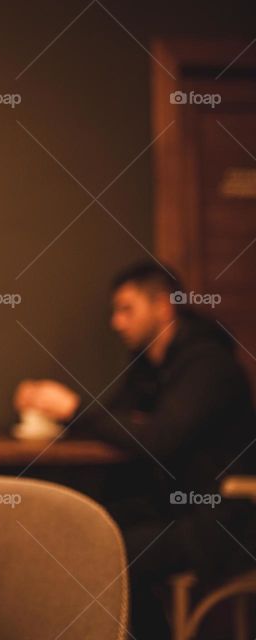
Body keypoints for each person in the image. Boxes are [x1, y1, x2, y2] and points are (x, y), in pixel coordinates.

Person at [14, 261, 256, 638]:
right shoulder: (148, 367)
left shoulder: (208, 363)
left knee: (108, 551)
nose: (116, 322)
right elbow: (118, 423)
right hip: (174, 506)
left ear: (163, 306)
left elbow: (158, 438)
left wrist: (72, 409)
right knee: (85, 532)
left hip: (225, 516)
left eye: (127, 309)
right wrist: (56, 410)